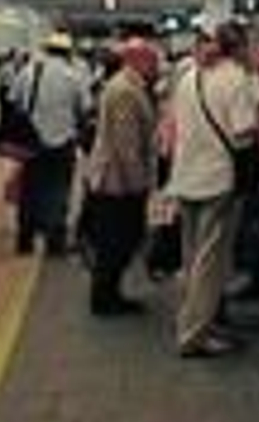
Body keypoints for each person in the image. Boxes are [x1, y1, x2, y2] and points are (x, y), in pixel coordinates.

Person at [167, 22, 259, 358]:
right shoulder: (234, 78)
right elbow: (244, 132)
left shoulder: (188, 76)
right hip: (216, 179)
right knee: (210, 263)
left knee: (191, 259)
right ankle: (194, 335)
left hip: (186, 175)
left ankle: (190, 320)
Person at [83, 38, 160, 316]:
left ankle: (109, 294)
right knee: (116, 241)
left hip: (116, 180)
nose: (157, 66)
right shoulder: (125, 91)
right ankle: (105, 299)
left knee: (116, 241)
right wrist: (140, 185)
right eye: (153, 60)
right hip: (117, 183)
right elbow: (126, 144)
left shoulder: (124, 86)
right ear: (137, 60)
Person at [12, 32, 91, 256]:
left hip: (31, 144)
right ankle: (54, 242)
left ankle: (24, 240)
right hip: (62, 143)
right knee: (58, 191)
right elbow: (84, 107)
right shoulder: (73, 76)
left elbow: (13, 101)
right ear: (68, 53)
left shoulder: (27, 73)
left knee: (29, 190)